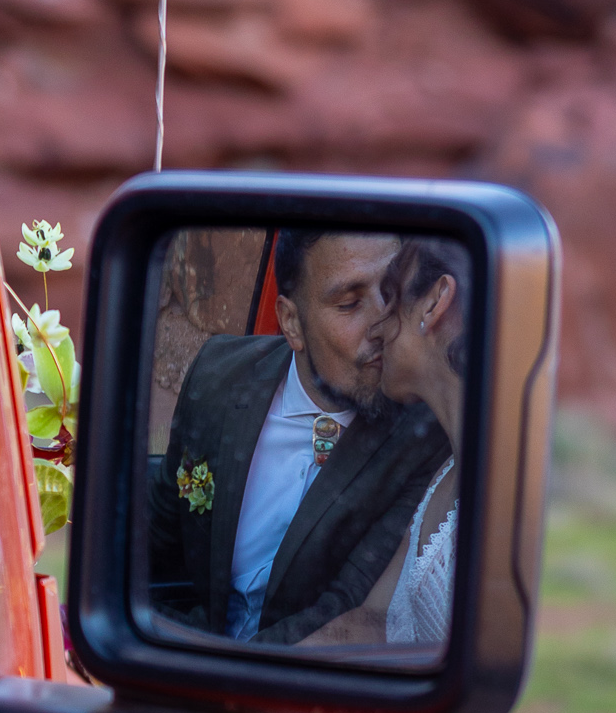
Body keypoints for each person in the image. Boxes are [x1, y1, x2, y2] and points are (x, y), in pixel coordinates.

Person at [147, 229, 449, 645]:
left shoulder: (422, 436)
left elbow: (347, 606)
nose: (382, 324)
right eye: (349, 303)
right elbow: (157, 540)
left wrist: (219, 676)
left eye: (392, 291)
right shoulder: (219, 375)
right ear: (291, 323)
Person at [305, 235, 470, 648]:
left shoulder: (504, 483)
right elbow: (375, 618)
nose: (376, 329)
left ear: (434, 304)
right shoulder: (447, 470)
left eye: (392, 298)